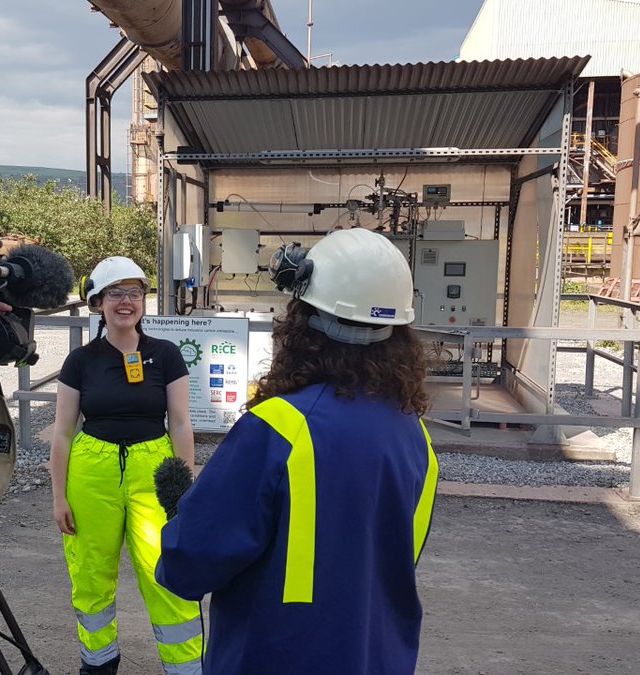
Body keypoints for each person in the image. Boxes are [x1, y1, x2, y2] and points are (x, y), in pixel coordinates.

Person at [155, 228, 440, 674]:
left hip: (277, 657)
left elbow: (190, 565)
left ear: (304, 319)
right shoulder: (415, 437)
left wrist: (182, 517)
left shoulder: (278, 428)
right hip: (378, 659)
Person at [49, 256, 204, 675]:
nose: (125, 301)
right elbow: (62, 432)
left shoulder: (166, 355)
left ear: (143, 301)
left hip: (152, 468)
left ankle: (187, 667)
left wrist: (182, 487)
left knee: (164, 571)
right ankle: (98, 664)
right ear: (97, 302)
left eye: (134, 293)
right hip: (92, 469)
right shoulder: (80, 361)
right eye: (115, 293)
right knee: (91, 576)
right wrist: (59, 496)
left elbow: (182, 422)